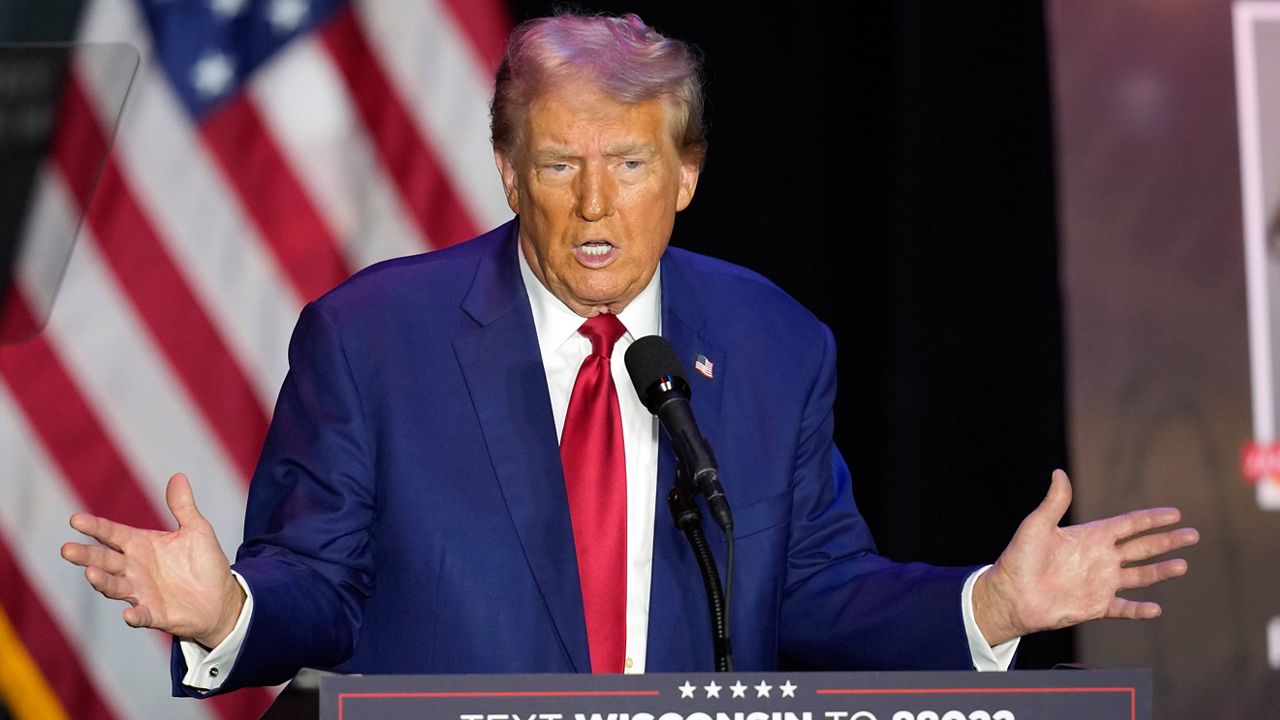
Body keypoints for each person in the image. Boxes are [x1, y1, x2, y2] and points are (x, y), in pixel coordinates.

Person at [60, 12, 1198, 695]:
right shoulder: (371, 342)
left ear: (687, 175)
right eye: (558, 165)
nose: (595, 204)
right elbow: (318, 587)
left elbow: (814, 591)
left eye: (631, 164)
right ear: (508, 173)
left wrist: (989, 606)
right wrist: (227, 614)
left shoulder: (771, 345)